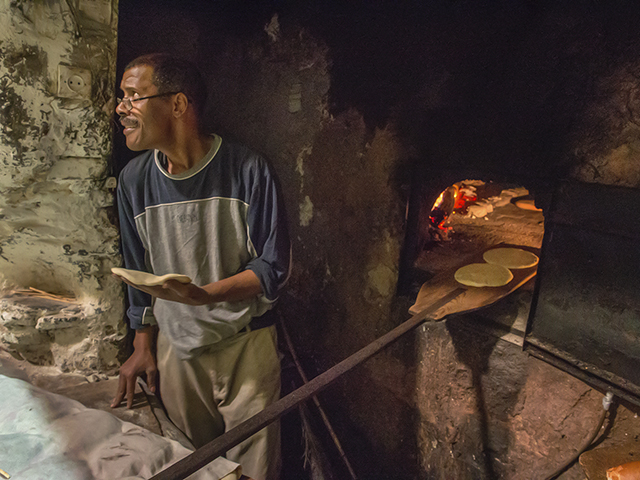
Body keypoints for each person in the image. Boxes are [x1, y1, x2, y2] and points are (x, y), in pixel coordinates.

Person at [110, 53, 290, 480]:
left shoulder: (248, 170)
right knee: (193, 469)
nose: (121, 108)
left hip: (245, 349)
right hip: (177, 351)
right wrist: (141, 344)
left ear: (177, 104)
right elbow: (139, 271)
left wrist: (205, 296)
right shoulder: (134, 182)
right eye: (121, 97)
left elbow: (273, 269)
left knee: (253, 473)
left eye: (134, 96)